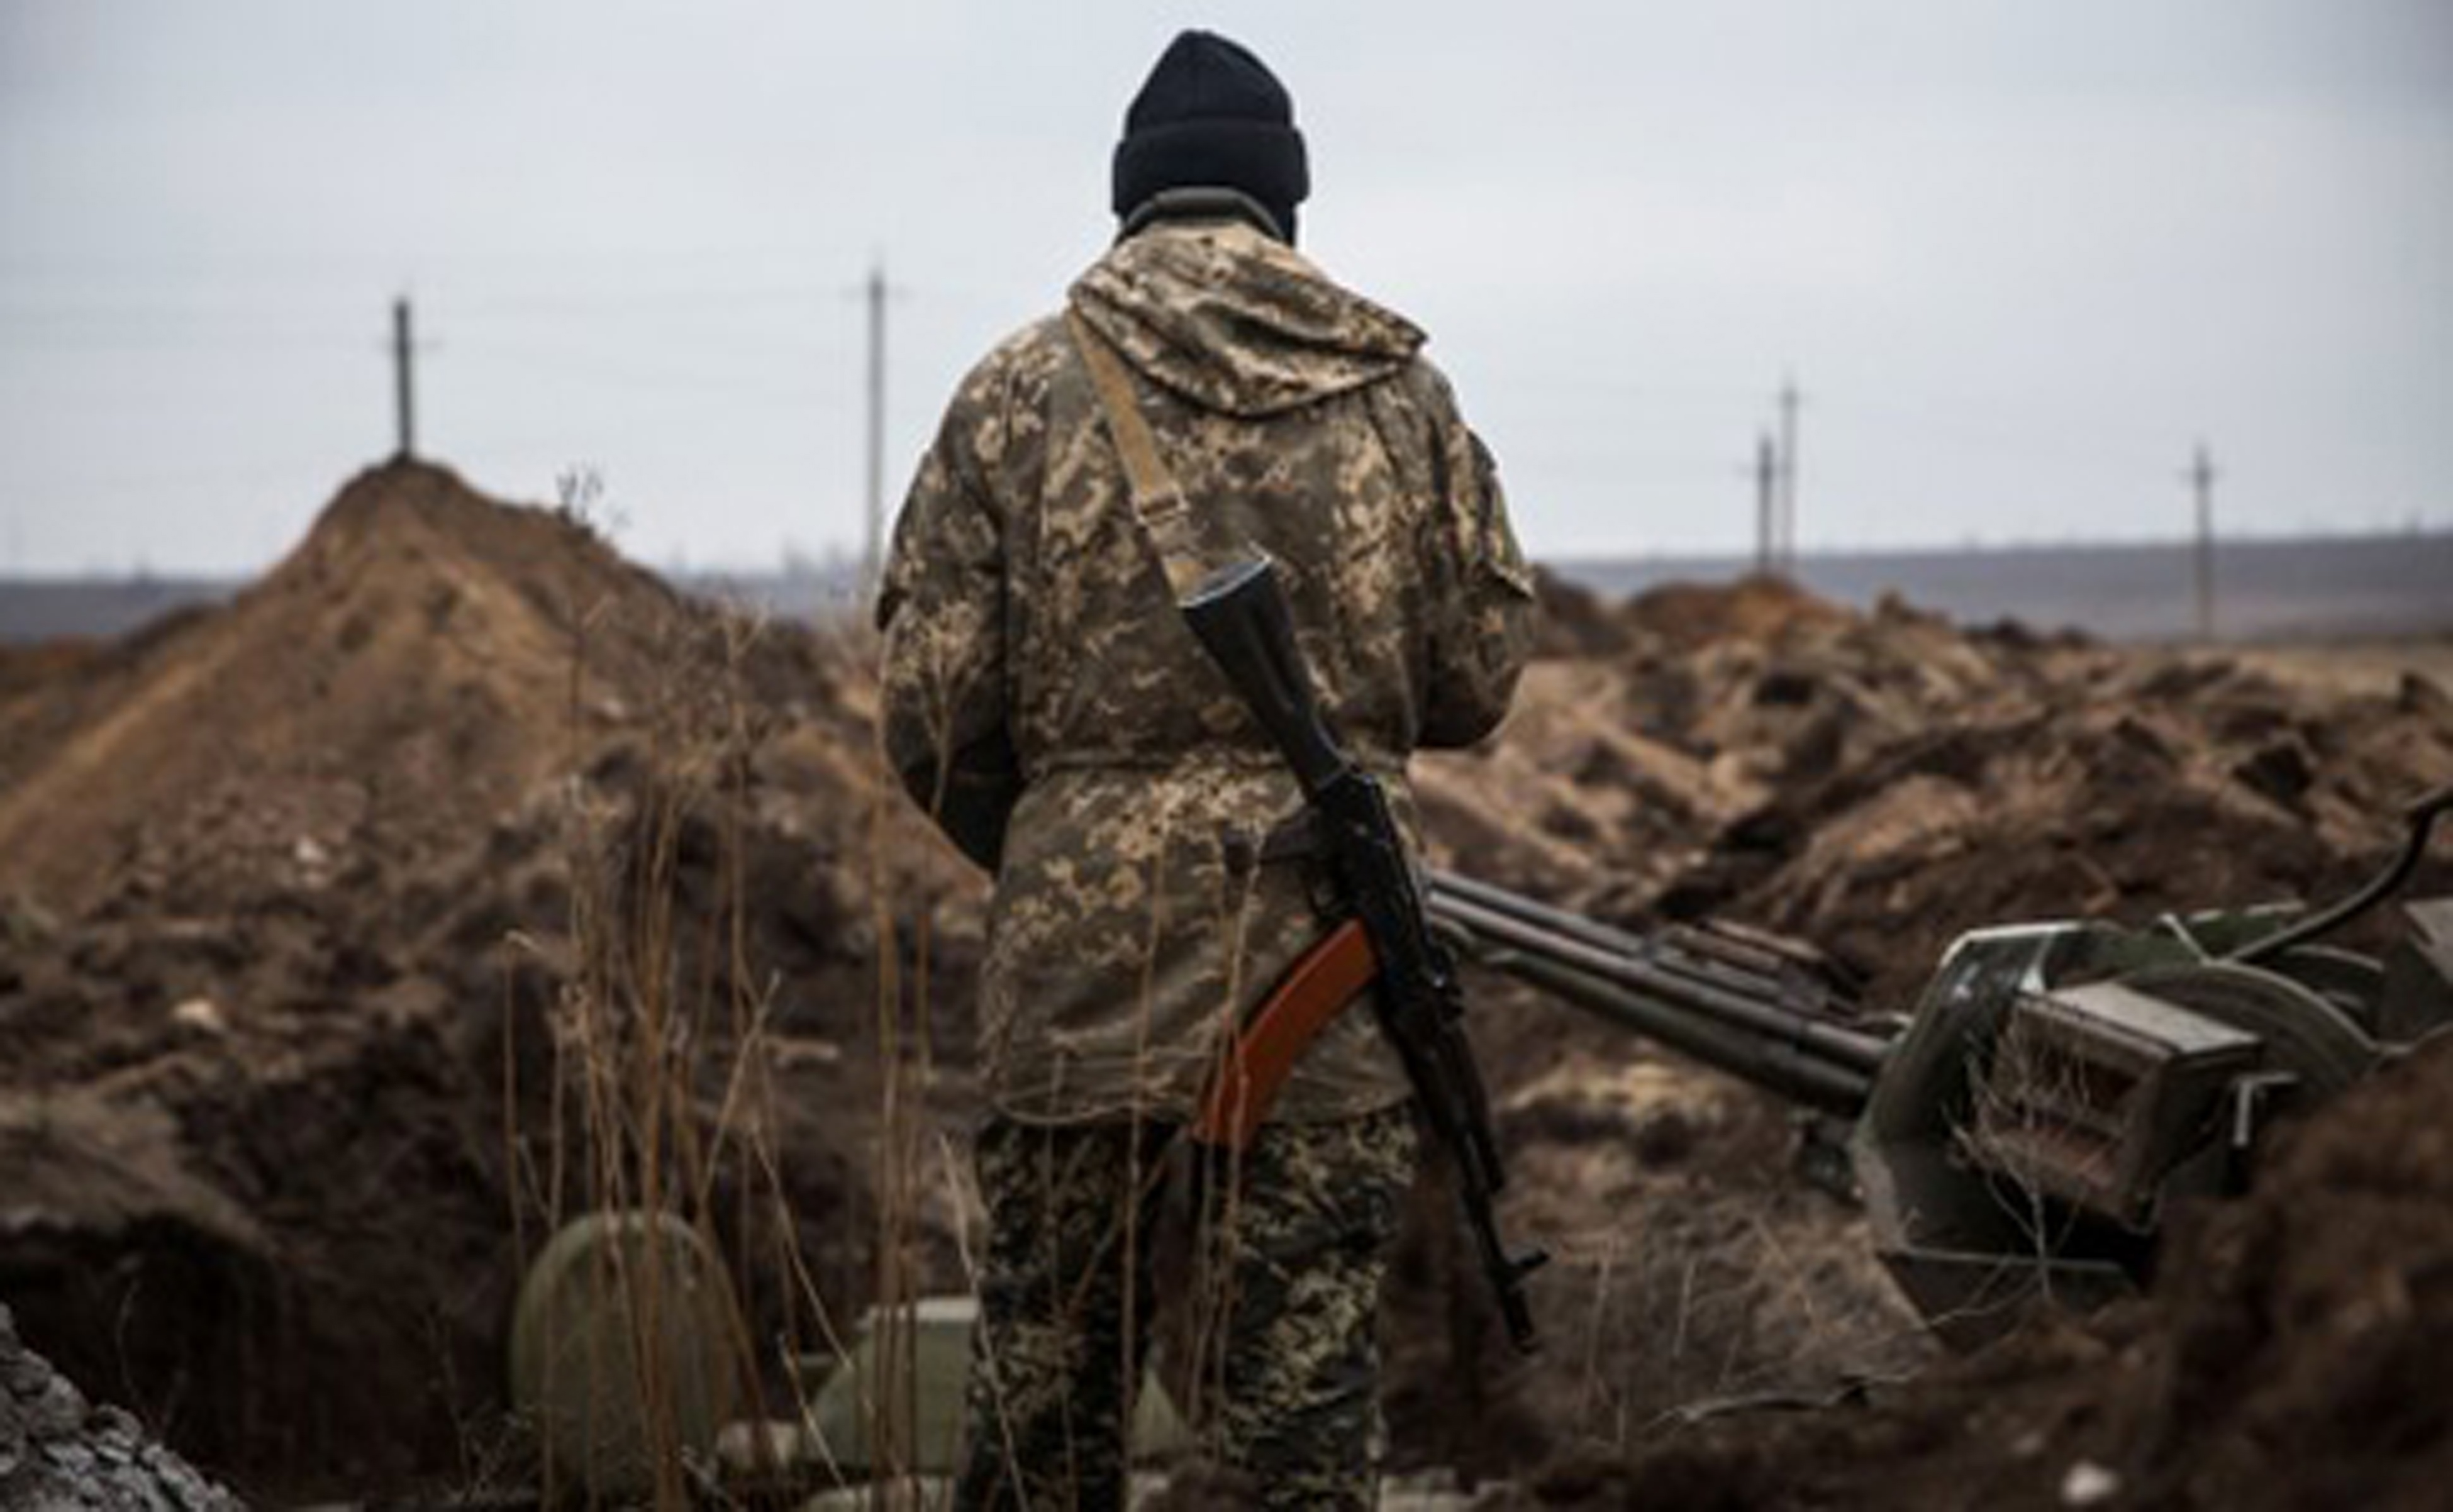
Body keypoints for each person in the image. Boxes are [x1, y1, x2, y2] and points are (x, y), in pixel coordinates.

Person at [877, 28, 1533, 1510]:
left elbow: (929, 711)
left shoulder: (1011, 393)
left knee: (1046, 1400)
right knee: (1299, 1417)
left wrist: (1066, 840)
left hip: (1076, 971)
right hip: (1332, 959)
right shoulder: (1402, 391)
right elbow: (1480, 678)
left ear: (1132, 201)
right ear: (1281, 201)